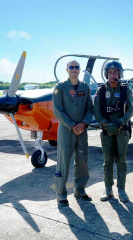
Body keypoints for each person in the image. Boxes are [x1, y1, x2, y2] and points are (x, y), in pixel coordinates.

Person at [53, 60, 93, 206]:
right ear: (67, 69)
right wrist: (71, 125)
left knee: (82, 162)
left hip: (82, 130)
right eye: (72, 67)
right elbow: (58, 110)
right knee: (63, 162)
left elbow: (90, 108)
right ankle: (61, 193)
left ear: (80, 69)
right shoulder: (60, 88)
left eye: (76, 67)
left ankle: (80, 190)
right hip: (66, 130)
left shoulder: (85, 87)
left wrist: (84, 124)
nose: (74, 69)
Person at [93, 61, 133, 203]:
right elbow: (96, 110)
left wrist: (118, 123)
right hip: (106, 131)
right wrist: (105, 124)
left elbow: (131, 110)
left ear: (120, 73)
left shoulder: (125, 90)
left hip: (121, 130)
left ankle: (121, 190)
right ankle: (108, 189)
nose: (112, 75)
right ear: (106, 74)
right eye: (110, 72)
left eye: (115, 72)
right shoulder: (101, 91)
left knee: (121, 161)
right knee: (107, 161)